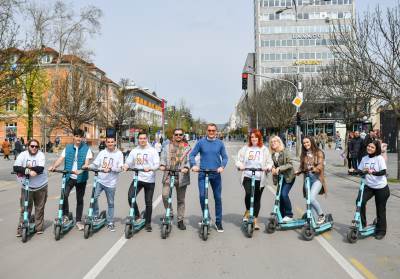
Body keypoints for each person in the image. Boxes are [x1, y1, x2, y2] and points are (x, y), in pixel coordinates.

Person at [48, 128, 93, 230]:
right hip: (70, 176)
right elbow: (60, 159)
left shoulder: (87, 149)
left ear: (82, 138)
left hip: (81, 178)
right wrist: (54, 166)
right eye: (77, 136)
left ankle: (78, 220)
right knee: (64, 195)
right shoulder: (67, 148)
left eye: (80, 137)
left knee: (79, 199)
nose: (78, 138)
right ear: (73, 137)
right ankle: (66, 215)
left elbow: (87, 163)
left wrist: (82, 169)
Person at [189, 123, 228, 233]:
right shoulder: (201, 142)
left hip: (215, 174)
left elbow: (225, 157)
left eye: (213, 130)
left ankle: (218, 221)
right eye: (209, 130)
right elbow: (192, 155)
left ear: (216, 132)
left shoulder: (220, 143)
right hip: (203, 173)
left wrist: (222, 166)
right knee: (202, 196)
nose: (211, 132)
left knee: (218, 198)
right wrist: (194, 165)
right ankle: (207, 216)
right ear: (207, 131)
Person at [236, 129, 272, 230]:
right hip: (247, 175)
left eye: (256, 137)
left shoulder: (264, 149)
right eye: (252, 137)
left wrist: (268, 167)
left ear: (259, 138)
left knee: (257, 198)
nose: (254, 139)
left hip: (260, 177)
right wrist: (240, 165)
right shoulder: (245, 148)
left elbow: (270, 162)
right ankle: (248, 211)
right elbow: (238, 160)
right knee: (248, 194)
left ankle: (255, 220)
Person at [123, 131, 160, 232]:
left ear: (147, 139)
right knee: (131, 197)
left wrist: (151, 168)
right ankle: (137, 215)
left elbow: (157, 164)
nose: (142, 140)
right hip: (137, 179)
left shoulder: (153, 151)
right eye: (140, 138)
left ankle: (148, 223)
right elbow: (129, 161)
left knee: (148, 202)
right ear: (138, 139)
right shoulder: (135, 151)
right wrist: (126, 166)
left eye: (144, 138)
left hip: (149, 180)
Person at [13, 139, 48, 236]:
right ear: (28, 146)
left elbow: (40, 168)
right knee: (25, 208)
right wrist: (28, 171)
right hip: (26, 186)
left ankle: (39, 227)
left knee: (39, 207)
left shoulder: (40, 155)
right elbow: (15, 167)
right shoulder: (23, 155)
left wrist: (25, 169)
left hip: (41, 185)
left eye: (36, 146)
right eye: (32, 146)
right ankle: (21, 228)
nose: (34, 148)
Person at [90, 133, 123, 232]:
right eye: (108, 142)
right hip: (100, 180)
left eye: (112, 142)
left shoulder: (119, 154)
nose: (110, 144)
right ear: (106, 143)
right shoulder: (102, 153)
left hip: (111, 183)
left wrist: (111, 168)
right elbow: (95, 164)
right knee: (94, 198)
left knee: (111, 203)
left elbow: (120, 168)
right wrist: (87, 167)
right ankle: (95, 215)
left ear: (115, 142)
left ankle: (110, 222)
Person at [159, 128, 191, 230]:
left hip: (181, 176)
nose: (178, 136)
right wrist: (162, 165)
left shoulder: (187, 148)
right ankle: (170, 212)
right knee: (165, 195)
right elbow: (163, 157)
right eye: (176, 134)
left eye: (180, 134)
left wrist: (187, 167)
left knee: (181, 200)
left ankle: (180, 220)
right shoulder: (167, 146)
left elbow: (190, 160)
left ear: (183, 136)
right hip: (169, 174)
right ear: (173, 135)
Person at [357, 140, 390, 240]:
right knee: (360, 202)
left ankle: (381, 231)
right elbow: (360, 171)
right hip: (369, 186)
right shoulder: (364, 158)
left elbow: (383, 172)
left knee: (380, 209)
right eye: (369, 146)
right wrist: (357, 171)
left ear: (376, 149)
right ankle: (362, 224)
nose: (369, 148)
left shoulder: (379, 158)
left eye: (372, 147)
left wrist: (372, 172)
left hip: (381, 187)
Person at [295, 136, 328, 225]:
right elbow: (302, 166)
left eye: (307, 142)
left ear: (312, 142)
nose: (306, 144)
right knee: (308, 199)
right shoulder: (304, 154)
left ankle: (321, 215)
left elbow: (321, 165)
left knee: (311, 198)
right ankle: (311, 218)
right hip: (307, 179)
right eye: (304, 143)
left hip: (317, 179)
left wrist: (315, 169)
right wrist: (298, 171)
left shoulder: (319, 152)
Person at [269, 135, 296, 222]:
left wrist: (279, 168)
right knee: (279, 196)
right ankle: (281, 214)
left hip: (289, 177)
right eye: (272, 142)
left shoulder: (285, 151)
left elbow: (290, 164)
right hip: (280, 178)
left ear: (279, 142)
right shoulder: (273, 155)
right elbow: (271, 164)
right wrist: (272, 168)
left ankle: (289, 214)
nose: (273, 143)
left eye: (275, 141)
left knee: (284, 194)